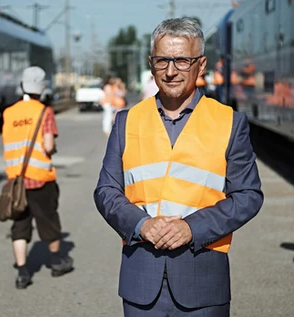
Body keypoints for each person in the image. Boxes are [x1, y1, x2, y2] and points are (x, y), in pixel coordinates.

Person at [94, 18, 263, 317]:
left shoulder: (229, 123)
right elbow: (107, 191)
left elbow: (248, 195)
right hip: (140, 281)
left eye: (182, 61)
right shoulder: (126, 121)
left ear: (201, 65)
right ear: (151, 64)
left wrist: (191, 228)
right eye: (162, 61)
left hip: (203, 281)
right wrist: (142, 224)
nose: (171, 71)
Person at [2, 66, 73, 290]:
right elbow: (49, 145)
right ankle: (56, 262)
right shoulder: (44, 112)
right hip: (40, 178)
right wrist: (50, 150)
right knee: (48, 220)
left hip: (16, 180)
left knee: (20, 224)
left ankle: (22, 272)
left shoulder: (8, 112)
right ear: (41, 88)